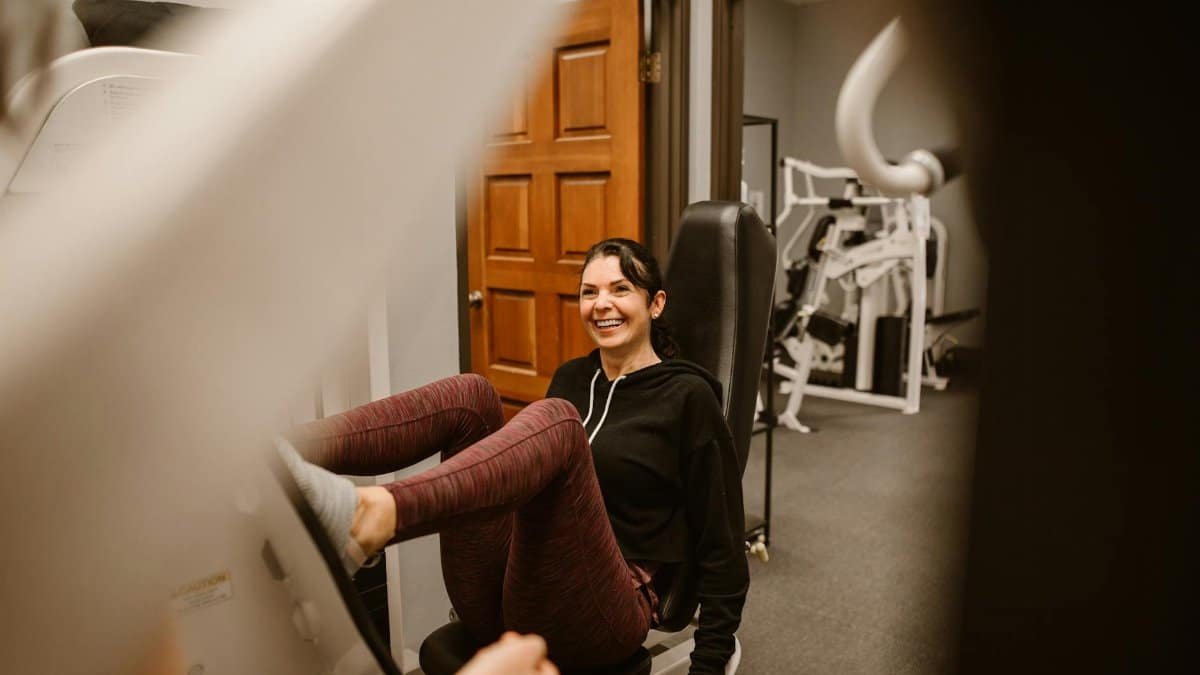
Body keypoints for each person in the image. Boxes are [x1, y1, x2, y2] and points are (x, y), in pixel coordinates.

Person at [279, 238, 748, 674]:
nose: (601, 304)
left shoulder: (688, 398)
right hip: (516, 593)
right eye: (589, 292)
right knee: (472, 396)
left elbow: (722, 544)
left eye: (620, 289)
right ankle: (277, 451)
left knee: (558, 423)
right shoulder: (571, 378)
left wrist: (709, 665)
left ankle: (373, 513)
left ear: (656, 303)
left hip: (605, 611)